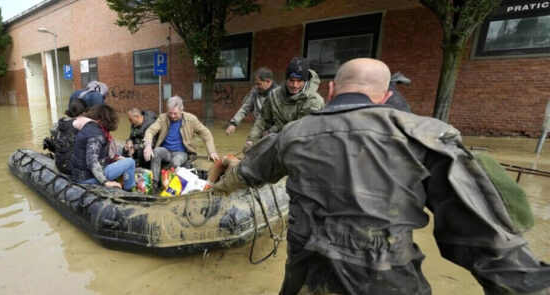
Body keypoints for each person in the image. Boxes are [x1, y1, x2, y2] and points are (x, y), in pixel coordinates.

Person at [213, 58, 550, 294]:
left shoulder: (293, 135)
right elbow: (488, 245)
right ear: (387, 96)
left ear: (329, 91)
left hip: (307, 279)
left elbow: (245, 174)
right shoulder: (430, 136)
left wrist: (215, 186)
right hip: (390, 282)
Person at [246, 57, 324, 148]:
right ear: (286, 79)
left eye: (299, 81)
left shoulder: (314, 101)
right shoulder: (274, 95)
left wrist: (272, 131)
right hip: (276, 144)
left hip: (302, 147)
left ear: (305, 81)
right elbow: (262, 119)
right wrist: (251, 140)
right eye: (291, 80)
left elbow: (301, 130)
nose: (295, 85)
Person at [143, 96, 219, 186]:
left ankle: (167, 182)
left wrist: (212, 151)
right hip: (166, 150)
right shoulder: (162, 118)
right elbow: (150, 130)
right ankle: (154, 183)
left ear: (181, 110)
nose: (172, 116)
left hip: (182, 152)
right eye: (170, 113)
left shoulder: (191, 119)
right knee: (156, 152)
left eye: (175, 113)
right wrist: (148, 146)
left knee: (176, 161)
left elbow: (206, 133)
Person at [70, 104, 136, 190]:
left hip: (80, 173)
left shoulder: (88, 126)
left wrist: (115, 158)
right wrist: (105, 181)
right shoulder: (96, 134)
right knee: (130, 162)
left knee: (120, 156)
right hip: (86, 178)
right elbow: (92, 161)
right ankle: (129, 191)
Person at [226, 67, 278, 135]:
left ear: (268, 81)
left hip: (275, 133)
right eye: (255, 84)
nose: (256, 86)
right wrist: (234, 123)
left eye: (259, 84)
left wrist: (270, 131)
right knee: (249, 145)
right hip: (258, 130)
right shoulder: (255, 92)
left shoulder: (279, 95)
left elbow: (282, 119)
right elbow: (245, 108)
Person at [43, 99, 88, 174]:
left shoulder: (61, 123)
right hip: (73, 168)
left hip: (59, 165)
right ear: (84, 113)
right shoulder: (83, 127)